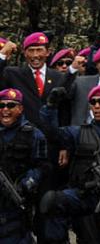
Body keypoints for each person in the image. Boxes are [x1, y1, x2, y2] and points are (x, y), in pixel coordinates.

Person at [40, 84, 100, 244]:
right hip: (83, 195)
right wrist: (50, 107)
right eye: (93, 102)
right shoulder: (79, 132)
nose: (97, 106)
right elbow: (52, 133)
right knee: (52, 201)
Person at [0, 88, 48, 243]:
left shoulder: (34, 135)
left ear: (20, 109)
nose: (5, 110)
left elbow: (42, 166)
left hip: (16, 203)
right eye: (2, 105)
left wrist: (27, 182)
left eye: (11, 105)